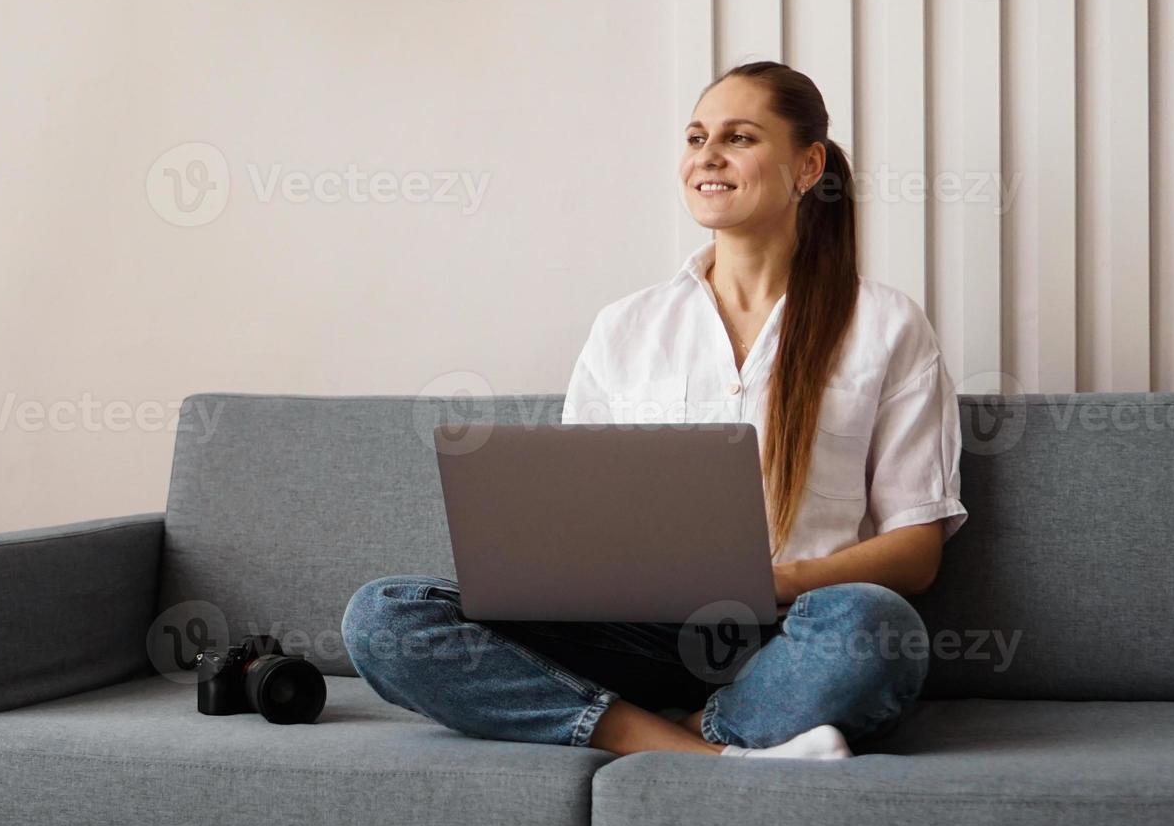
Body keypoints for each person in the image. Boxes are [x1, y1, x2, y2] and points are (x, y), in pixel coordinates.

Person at [342, 61, 968, 760]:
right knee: (384, 616)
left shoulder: (884, 324)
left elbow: (916, 551)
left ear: (806, 166)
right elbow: (573, 520)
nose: (706, 156)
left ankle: (697, 727)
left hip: (790, 635)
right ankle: (698, 753)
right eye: (697, 136)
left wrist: (775, 581)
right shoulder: (626, 325)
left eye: (738, 137)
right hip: (628, 633)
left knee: (875, 628)